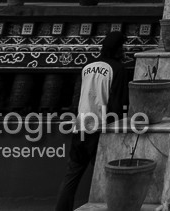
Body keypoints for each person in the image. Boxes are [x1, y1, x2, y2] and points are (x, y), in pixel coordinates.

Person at [54, 30, 129, 211]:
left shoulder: (87, 66)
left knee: (72, 176)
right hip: (101, 130)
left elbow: (78, 96)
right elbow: (118, 104)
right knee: (105, 177)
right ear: (117, 49)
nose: (125, 51)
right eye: (123, 47)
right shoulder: (118, 70)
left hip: (80, 127)